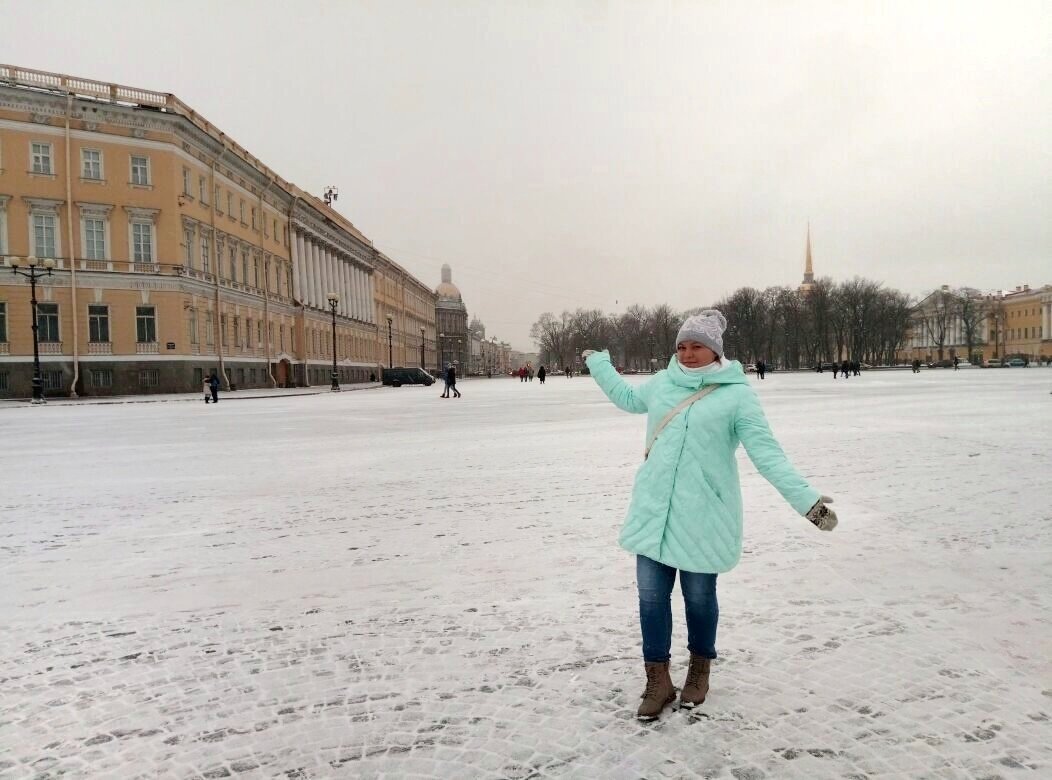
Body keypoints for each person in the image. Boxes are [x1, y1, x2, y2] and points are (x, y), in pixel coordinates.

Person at [582, 309, 837, 721]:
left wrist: (805, 499)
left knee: (699, 598)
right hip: (653, 512)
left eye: (697, 345)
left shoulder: (736, 396)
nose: (688, 353)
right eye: (681, 346)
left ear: (716, 350)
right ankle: (658, 679)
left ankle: (699, 669)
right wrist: (600, 364)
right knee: (651, 599)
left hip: (704, 516)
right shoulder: (663, 384)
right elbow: (629, 399)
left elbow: (767, 454)